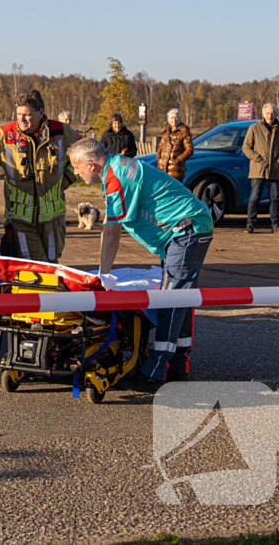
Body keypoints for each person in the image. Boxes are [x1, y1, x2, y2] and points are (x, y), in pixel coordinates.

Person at [68, 138, 214, 392]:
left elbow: (111, 231)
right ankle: (178, 368)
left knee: (171, 300)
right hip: (183, 230)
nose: (75, 173)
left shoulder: (117, 178)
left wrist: (103, 274)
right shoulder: (120, 167)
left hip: (184, 231)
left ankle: (153, 373)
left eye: (77, 167)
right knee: (181, 299)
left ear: (91, 165)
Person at [0, 90, 78, 262]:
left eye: (26, 115)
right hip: (20, 219)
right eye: (18, 114)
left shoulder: (62, 132)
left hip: (52, 220)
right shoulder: (4, 135)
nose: (21, 120)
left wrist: (67, 179)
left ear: (40, 112)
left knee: (51, 263)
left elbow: (88, 155)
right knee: (34, 264)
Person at [242, 102, 279, 235]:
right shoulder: (254, 128)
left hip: (275, 170)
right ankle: (250, 224)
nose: (270, 116)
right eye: (268, 113)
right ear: (263, 114)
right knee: (254, 197)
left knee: (274, 198)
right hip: (258, 169)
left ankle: (275, 225)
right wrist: (258, 160)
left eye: (272, 113)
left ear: (276, 114)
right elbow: (246, 148)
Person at [156, 109, 194, 182]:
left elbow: (190, 150)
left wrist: (178, 160)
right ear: (168, 119)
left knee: (174, 191)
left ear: (179, 119)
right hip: (162, 168)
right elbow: (160, 148)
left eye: (176, 117)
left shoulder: (184, 132)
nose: (174, 120)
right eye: (172, 118)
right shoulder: (165, 132)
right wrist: (159, 159)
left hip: (176, 169)